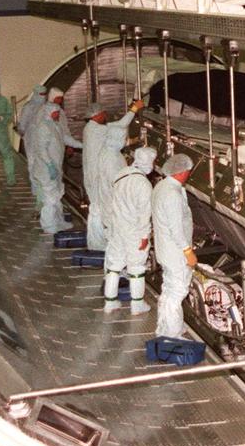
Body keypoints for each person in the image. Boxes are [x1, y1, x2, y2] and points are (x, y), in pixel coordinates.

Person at [82, 98, 143, 251]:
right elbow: (120, 126)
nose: (105, 116)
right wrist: (134, 109)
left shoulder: (92, 129)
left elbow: (115, 138)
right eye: (103, 114)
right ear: (96, 115)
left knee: (99, 209)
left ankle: (98, 242)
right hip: (97, 176)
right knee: (102, 210)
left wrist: (135, 140)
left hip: (95, 174)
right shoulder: (96, 129)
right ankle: (101, 244)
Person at [104, 146, 157, 315]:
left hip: (117, 228)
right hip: (134, 231)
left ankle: (110, 302)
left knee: (114, 266)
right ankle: (137, 305)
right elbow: (145, 214)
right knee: (136, 267)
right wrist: (144, 235)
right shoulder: (143, 184)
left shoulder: (121, 174)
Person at [152, 153, 196, 339]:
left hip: (166, 248)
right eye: (188, 171)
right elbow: (176, 228)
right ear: (182, 172)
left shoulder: (163, 186)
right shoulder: (171, 194)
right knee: (177, 291)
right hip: (175, 251)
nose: (189, 174)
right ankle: (171, 334)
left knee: (170, 288)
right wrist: (188, 251)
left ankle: (167, 327)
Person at [28, 104, 77, 233]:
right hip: (45, 170)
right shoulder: (43, 127)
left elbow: (65, 139)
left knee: (57, 196)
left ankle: (58, 221)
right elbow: (41, 149)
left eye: (58, 112)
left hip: (55, 168)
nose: (58, 115)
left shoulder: (55, 125)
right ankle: (49, 226)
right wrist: (49, 165)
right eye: (55, 113)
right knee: (50, 198)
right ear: (49, 113)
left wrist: (82, 145)